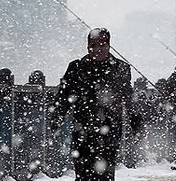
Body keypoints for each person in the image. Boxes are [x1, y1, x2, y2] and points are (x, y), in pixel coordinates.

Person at [51, 28, 136, 181]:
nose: (98, 49)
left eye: (102, 44)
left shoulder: (121, 68)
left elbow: (128, 98)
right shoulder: (76, 68)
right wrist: (57, 117)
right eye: (93, 45)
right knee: (83, 174)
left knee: (105, 175)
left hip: (109, 132)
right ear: (87, 46)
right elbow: (64, 97)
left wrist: (135, 119)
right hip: (83, 131)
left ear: (109, 46)